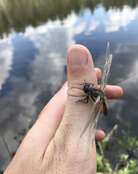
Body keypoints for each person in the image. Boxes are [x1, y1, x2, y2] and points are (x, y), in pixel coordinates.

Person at [4, 45, 123, 174]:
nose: (85, 88)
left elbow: (87, 98)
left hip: (99, 97)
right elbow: (88, 94)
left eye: (86, 88)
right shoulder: (90, 91)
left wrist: (81, 96)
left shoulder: (90, 94)